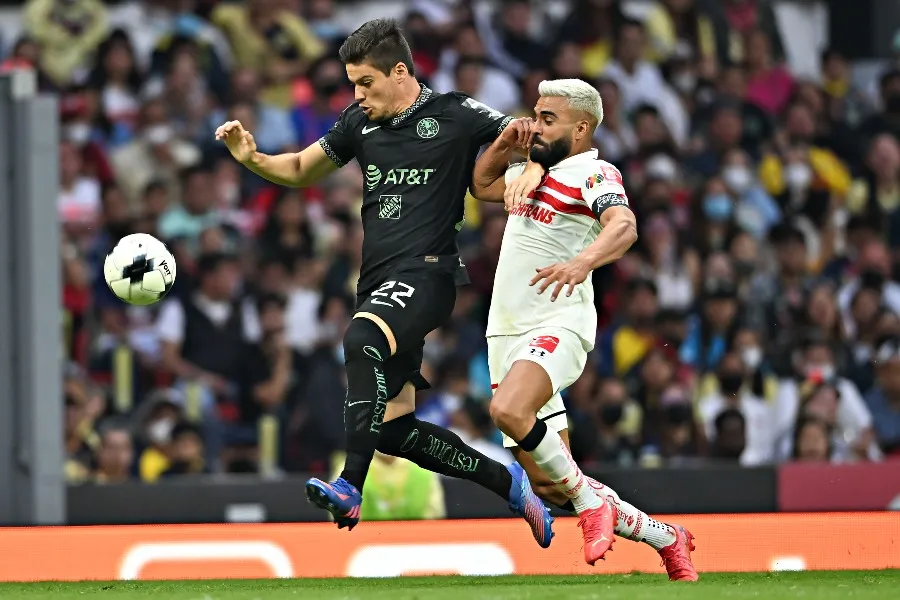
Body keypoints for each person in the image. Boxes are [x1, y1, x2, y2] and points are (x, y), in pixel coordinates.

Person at [216, 19, 552, 545]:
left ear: (400, 72)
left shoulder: (456, 114)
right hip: (378, 283)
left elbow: (527, 134)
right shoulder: (358, 123)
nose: (357, 95)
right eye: (352, 84)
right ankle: (506, 480)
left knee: (361, 339)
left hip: (428, 272)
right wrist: (252, 158)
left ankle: (351, 486)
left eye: (365, 83)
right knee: (395, 430)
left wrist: (530, 156)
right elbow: (304, 167)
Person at [471, 79, 697, 579]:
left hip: (556, 323)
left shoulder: (593, 171)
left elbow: (624, 225)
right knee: (551, 482)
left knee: (508, 409)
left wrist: (582, 262)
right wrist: (507, 144)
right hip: (505, 334)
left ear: (580, 128)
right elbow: (482, 186)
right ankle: (667, 538)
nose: (536, 124)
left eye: (547, 118)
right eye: (536, 113)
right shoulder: (533, 173)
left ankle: (591, 505)